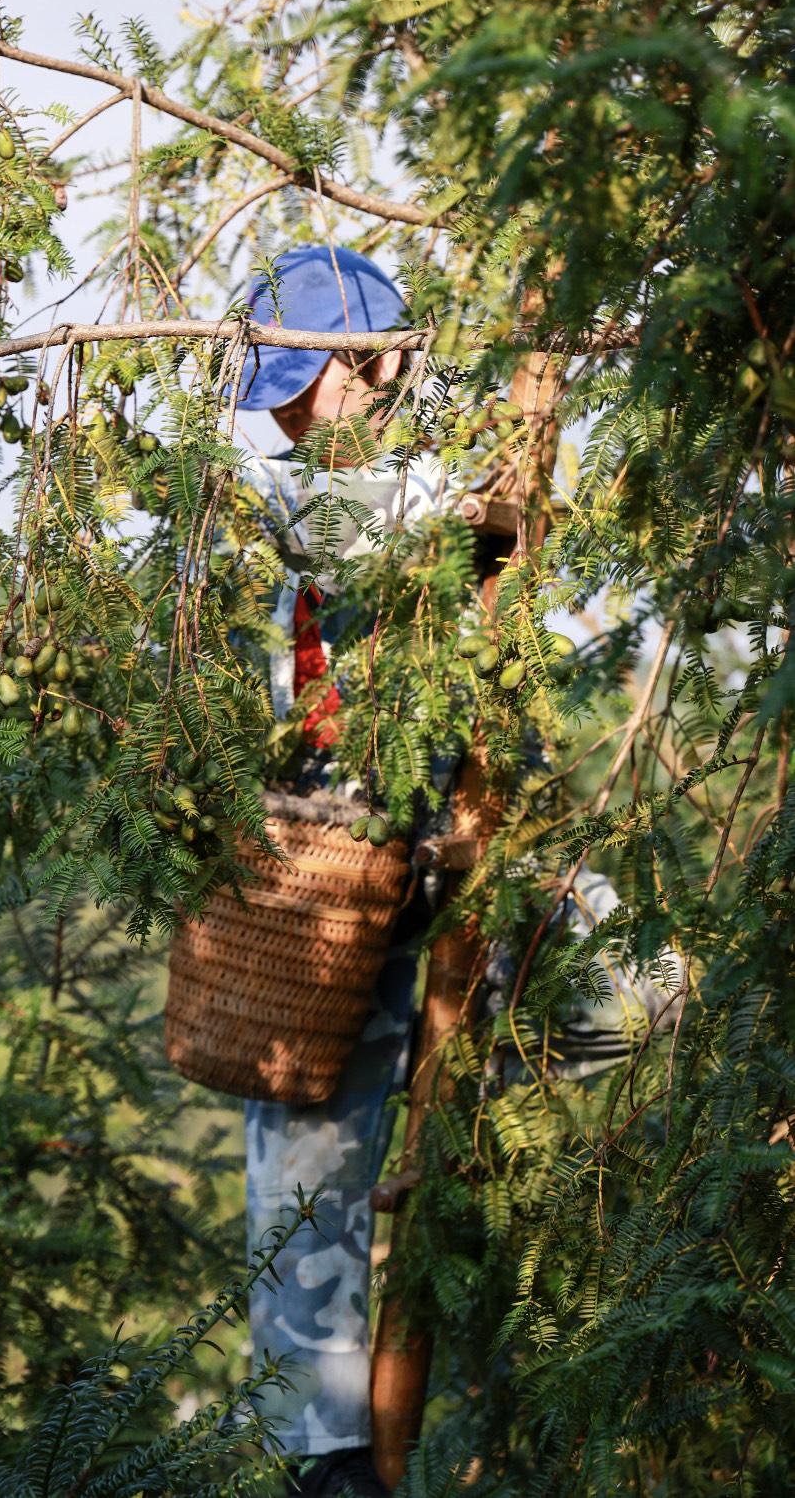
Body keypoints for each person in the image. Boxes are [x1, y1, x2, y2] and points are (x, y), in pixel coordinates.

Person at [231, 246, 679, 1497]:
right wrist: (466, 516)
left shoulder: (451, 471)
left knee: (636, 989)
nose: (279, 407)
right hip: (325, 878)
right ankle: (320, 1457)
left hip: (478, 851)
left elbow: (501, 541)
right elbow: (323, 519)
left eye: (302, 380)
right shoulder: (284, 493)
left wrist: (499, 516)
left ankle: (474, 1099)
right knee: (302, 1164)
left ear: (373, 367)